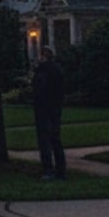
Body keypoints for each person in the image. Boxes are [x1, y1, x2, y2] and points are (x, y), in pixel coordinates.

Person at [32, 45, 66, 180]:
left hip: (44, 109)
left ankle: (48, 170)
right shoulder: (58, 70)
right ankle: (61, 169)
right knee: (56, 139)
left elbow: (39, 90)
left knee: (45, 140)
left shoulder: (43, 71)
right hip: (55, 108)